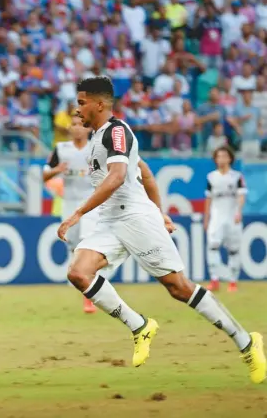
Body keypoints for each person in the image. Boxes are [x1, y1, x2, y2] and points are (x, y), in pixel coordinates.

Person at [58, 77, 265, 384]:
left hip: (135, 219)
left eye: (82, 102)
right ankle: (140, 326)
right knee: (78, 272)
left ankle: (247, 343)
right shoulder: (100, 137)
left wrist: (78, 211)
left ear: (99, 104)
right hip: (111, 221)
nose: (78, 109)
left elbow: (117, 178)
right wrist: (162, 210)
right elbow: (147, 175)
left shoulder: (117, 132)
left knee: (179, 288)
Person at [43, 115, 99, 314]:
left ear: (87, 128)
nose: (76, 128)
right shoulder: (61, 149)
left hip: (91, 203)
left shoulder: (96, 147)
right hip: (69, 204)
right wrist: (57, 170)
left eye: (80, 125)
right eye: (73, 124)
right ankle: (88, 285)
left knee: (87, 244)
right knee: (75, 247)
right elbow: (44, 174)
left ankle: (89, 299)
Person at [204, 147, 246, 293]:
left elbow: (241, 195)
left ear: (230, 158)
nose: (221, 159)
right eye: (218, 156)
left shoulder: (237, 176)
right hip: (216, 217)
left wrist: (239, 212)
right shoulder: (211, 177)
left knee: (234, 250)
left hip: (232, 217)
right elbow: (208, 199)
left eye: (224, 156)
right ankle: (214, 279)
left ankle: (233, 282)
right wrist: (206, 218)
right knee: (213, 247)